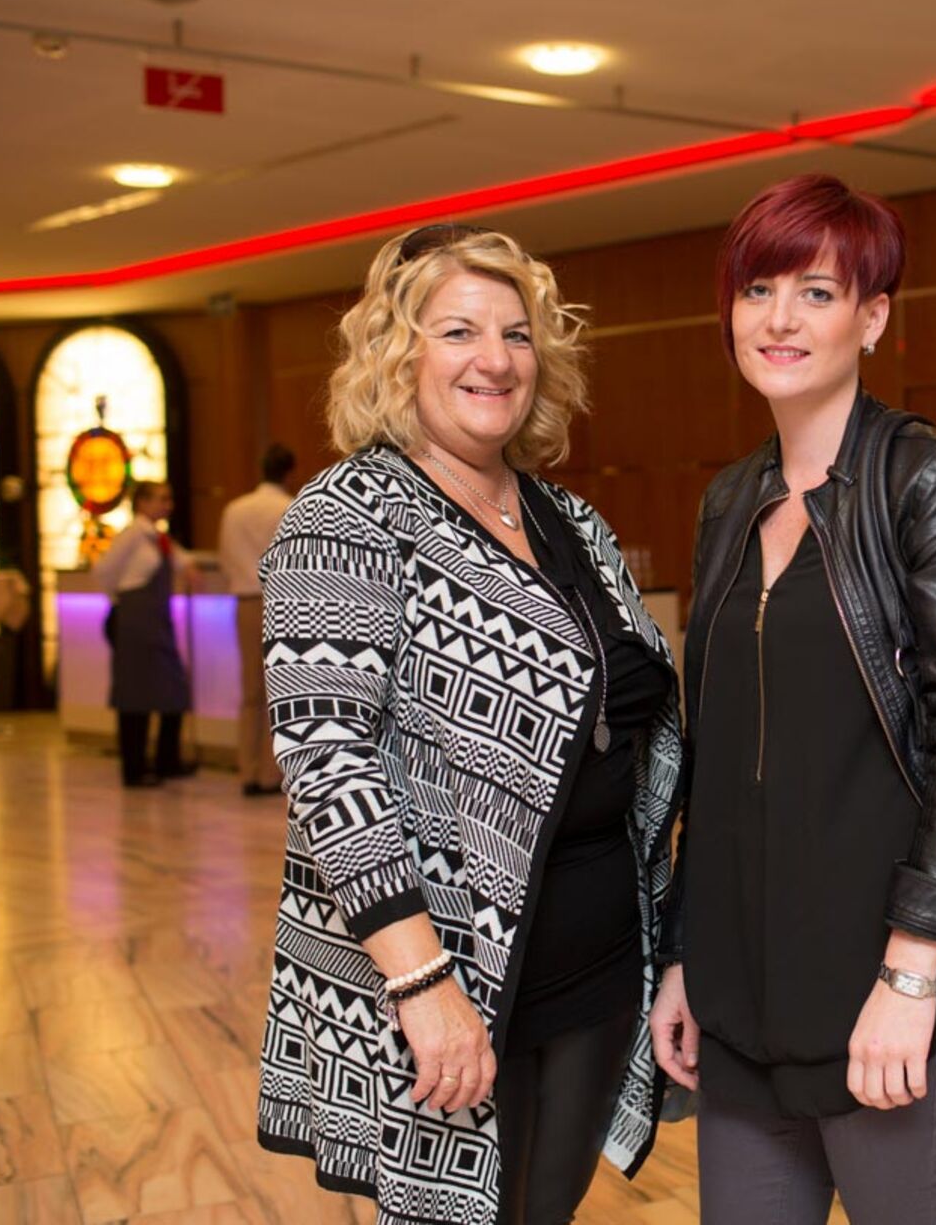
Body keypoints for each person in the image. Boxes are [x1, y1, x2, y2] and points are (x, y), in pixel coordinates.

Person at [254, 224, 683, 1225]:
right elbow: (327, 762)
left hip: (597, 962)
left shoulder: (568, 519)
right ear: (397, 353)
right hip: (454, 971)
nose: (495, 358)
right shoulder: (347, 515)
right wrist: (423, 984)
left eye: (516, 334)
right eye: (458, 331)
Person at [648, 175, 936, 1225]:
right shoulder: (729, 499)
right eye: (757, 289)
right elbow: (713, 757)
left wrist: (910, 975)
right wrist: (685, 955)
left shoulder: (932, 484)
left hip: (891, 1001)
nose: (779, 318)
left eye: (816, 293)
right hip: (741, 1004)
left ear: (872, 317)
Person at [93, 481, 195, 788]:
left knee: (170, 688)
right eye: (162, 499)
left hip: (155, 620)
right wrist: (122, 601)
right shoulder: (132, 535)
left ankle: (166, 760)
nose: (168, 505)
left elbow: (181, 559)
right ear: (142, 503)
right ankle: (134, 767)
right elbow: (103, 571)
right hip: (135, 620)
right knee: (135, 694)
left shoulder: (157, 537)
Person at [217, 443, 296, 796]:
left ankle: (246, 770)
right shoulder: (290, 506)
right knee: (279, 688)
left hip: (246, 602)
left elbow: (226, 558)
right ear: (289, 473)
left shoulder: (234, 510)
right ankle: (269, 773)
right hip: (282, 601)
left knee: (250, 689)